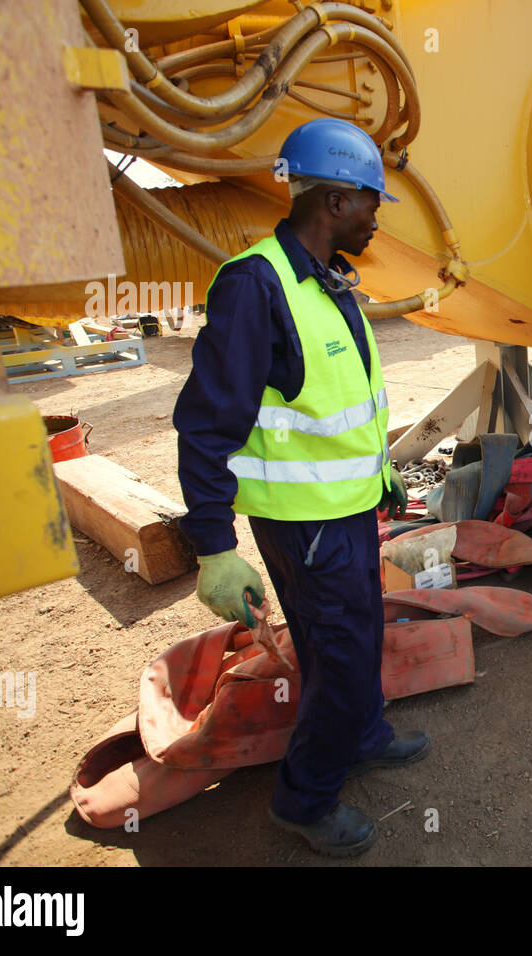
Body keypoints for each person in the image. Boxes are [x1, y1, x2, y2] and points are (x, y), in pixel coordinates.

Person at [173, 118, 429, 857]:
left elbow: (342, 402)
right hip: (304, 523)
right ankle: (306, 796)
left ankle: (363, 732)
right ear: (335, 201)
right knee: (344, 656)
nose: (377, 217)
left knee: (346, 640)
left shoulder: (327, 281)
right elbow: (208, 422)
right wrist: (213, 546)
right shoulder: (258, 285)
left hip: (342, 512)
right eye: (373, 202)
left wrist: (381, 483)